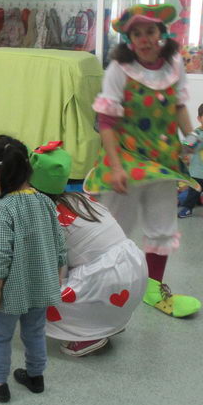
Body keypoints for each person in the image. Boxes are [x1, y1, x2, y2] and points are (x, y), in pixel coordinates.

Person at [83, 3, 201, 318]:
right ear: (129, 38)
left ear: (161, 32)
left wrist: (189, 139)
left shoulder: (174, 64)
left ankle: (152, 288)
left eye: (150, 31)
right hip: (126, 158)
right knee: (113, 228)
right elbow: (106, 122)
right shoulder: (119, 70)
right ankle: (100, 287)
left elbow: (177, 107)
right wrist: (117, 166)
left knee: (162, 225)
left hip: (162, 160)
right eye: (137, 33)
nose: (145, 38)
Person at [31, 141, 146, 357]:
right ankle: (107, 319)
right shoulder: (80, 199)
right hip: (134, 268)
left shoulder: (49, 216)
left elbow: (55, 267)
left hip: (109, 279)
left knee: (40, 293)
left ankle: (89, 334)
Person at [0, 139, 66, 403]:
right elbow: (60, 245)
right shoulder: (46, 202)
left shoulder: (3, 209)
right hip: (41, 286)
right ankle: (35, 377)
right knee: (35, 332)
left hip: (9, 291)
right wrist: (56, 280)